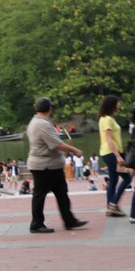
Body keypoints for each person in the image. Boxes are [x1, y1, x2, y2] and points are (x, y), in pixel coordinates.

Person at [25, 97, 88, 233]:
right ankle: (36, 224)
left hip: (50, 165)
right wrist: (75, 150)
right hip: (45, 166)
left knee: (61, 194)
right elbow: (56, 144)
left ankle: (69, 220)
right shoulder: (42, 124)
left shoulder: (35, 122)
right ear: (50, 109)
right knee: (40, 195)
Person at [97, 95, 131, 217]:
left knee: (114, 180)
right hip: (111, 153)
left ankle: (110, 207)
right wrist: (118, 156)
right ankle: (113, 204)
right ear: (112, 104)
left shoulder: (107, 118)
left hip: (110, 152)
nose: (120, 105)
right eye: (118, 103)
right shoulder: (107, 120)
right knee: (127, 178)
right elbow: (109, 140)